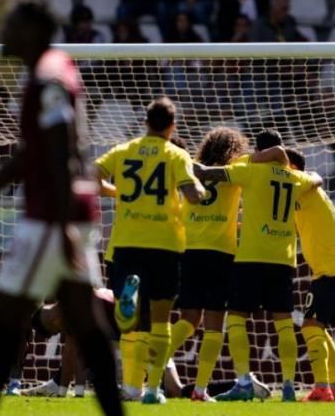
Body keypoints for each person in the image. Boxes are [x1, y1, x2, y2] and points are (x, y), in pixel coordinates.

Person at [0, 0, 123, 416]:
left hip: (51, 220)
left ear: (31, 32)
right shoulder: (52, 71)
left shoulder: (48, 79)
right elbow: (27, 158)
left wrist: (63, 226)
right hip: (63, 216)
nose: (2, 33)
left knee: (5, 326)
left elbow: (62, 152)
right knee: (86, 329)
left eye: (10, 25)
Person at [194, 129, 322, 402]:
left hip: (250, 258)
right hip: (283, 258)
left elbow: (207, 173)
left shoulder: (248, 169)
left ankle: (243, 381)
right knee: (284, 324)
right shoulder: (296, 177)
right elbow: (317, 179)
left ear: (259, 151)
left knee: (237, 319)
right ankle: (288, 386)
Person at [94, 96, 205, 404]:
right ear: (172, 126)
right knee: (160, 321)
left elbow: (92, 176)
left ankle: (130, 387)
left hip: (127, 244)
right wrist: (201, 188)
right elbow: (193, 195)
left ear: (145, 122)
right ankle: (153, 391)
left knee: (133, 325)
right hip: (164, 245)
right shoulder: (175, 155)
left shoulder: (123, 150)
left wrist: (119, 192)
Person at [253, 147, 335, 402]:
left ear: (291, 168)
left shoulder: (303, 186)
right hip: (333, 270)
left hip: (329, 271)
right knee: (320, 330)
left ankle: (322, 388)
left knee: (310, 327)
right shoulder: (304, 194)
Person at [165, 127, 250, 403]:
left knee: (188, 320)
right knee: (214, 326)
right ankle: (200, 390)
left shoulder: (189, 168)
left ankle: (149, 363)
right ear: (235, 149)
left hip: (188, 251)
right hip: (220, 253)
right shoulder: (237, 170)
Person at [21, 288, 118, 398]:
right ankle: (57, 386)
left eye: (57, 330)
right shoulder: (66, 307)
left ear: (53, 319)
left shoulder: (74, 311)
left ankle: (124, 388)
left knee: (94, 360)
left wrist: (79, 393)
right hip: (116, 322)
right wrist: (62, 393)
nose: (61, 332)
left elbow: (78, 355)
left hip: (123, 324)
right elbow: (68, 354)